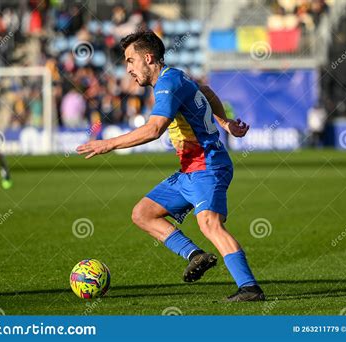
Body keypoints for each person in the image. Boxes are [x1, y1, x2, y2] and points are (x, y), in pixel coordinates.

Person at [77, 30, 265, 301]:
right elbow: (208, 92)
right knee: (143, 213)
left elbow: (154, 129)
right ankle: (195, 255)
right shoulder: (177, 77)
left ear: (148, 58)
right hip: (190, 170)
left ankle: (249, 288)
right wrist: (225, 123)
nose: (128, 69)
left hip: (208, 165)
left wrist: (107, 144)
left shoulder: (168, 84)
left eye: (131, 61)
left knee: (210, 224)